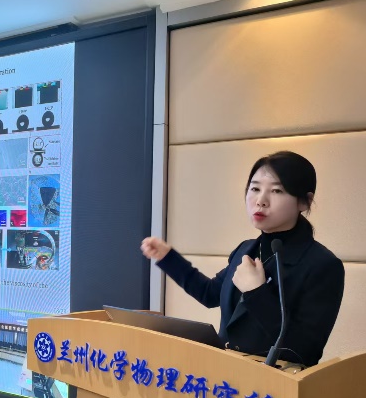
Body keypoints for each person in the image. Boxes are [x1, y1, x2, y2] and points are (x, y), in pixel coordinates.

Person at [141, 151, 345, 369]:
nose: (261, 201)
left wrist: (256, 293)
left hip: (272, 385)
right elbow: (209, 294)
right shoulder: (246, 249)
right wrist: (169, 259)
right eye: (255, 189)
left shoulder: (323, 265)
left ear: (305, 201)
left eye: (276, 191)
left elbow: (306, 350)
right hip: (223, 377)